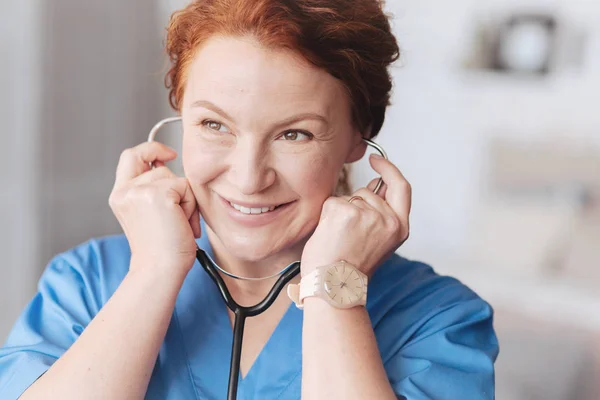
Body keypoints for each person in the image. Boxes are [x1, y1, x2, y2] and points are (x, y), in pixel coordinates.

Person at [0, 0, 499, 399]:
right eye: (214, 125)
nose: (247, 178)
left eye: (295, 135)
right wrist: (154, 271)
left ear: (359, 136)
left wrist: (335, 291)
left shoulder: (441, 319)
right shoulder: (86, 282)